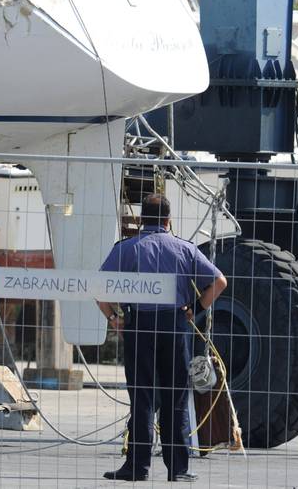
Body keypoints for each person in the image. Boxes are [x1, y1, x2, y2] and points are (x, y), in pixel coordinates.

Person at [98, 193, 226, 482]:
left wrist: (113, 318)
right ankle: (177, 469)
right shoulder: (185, 249)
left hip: (139, 325)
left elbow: (99, 286)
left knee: (142, 396)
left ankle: (137, 466)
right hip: (174, 325)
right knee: (175, 396)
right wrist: (196, 309)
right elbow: (219, 282)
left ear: (142, 219)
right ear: (168, 220)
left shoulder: (126, 248)